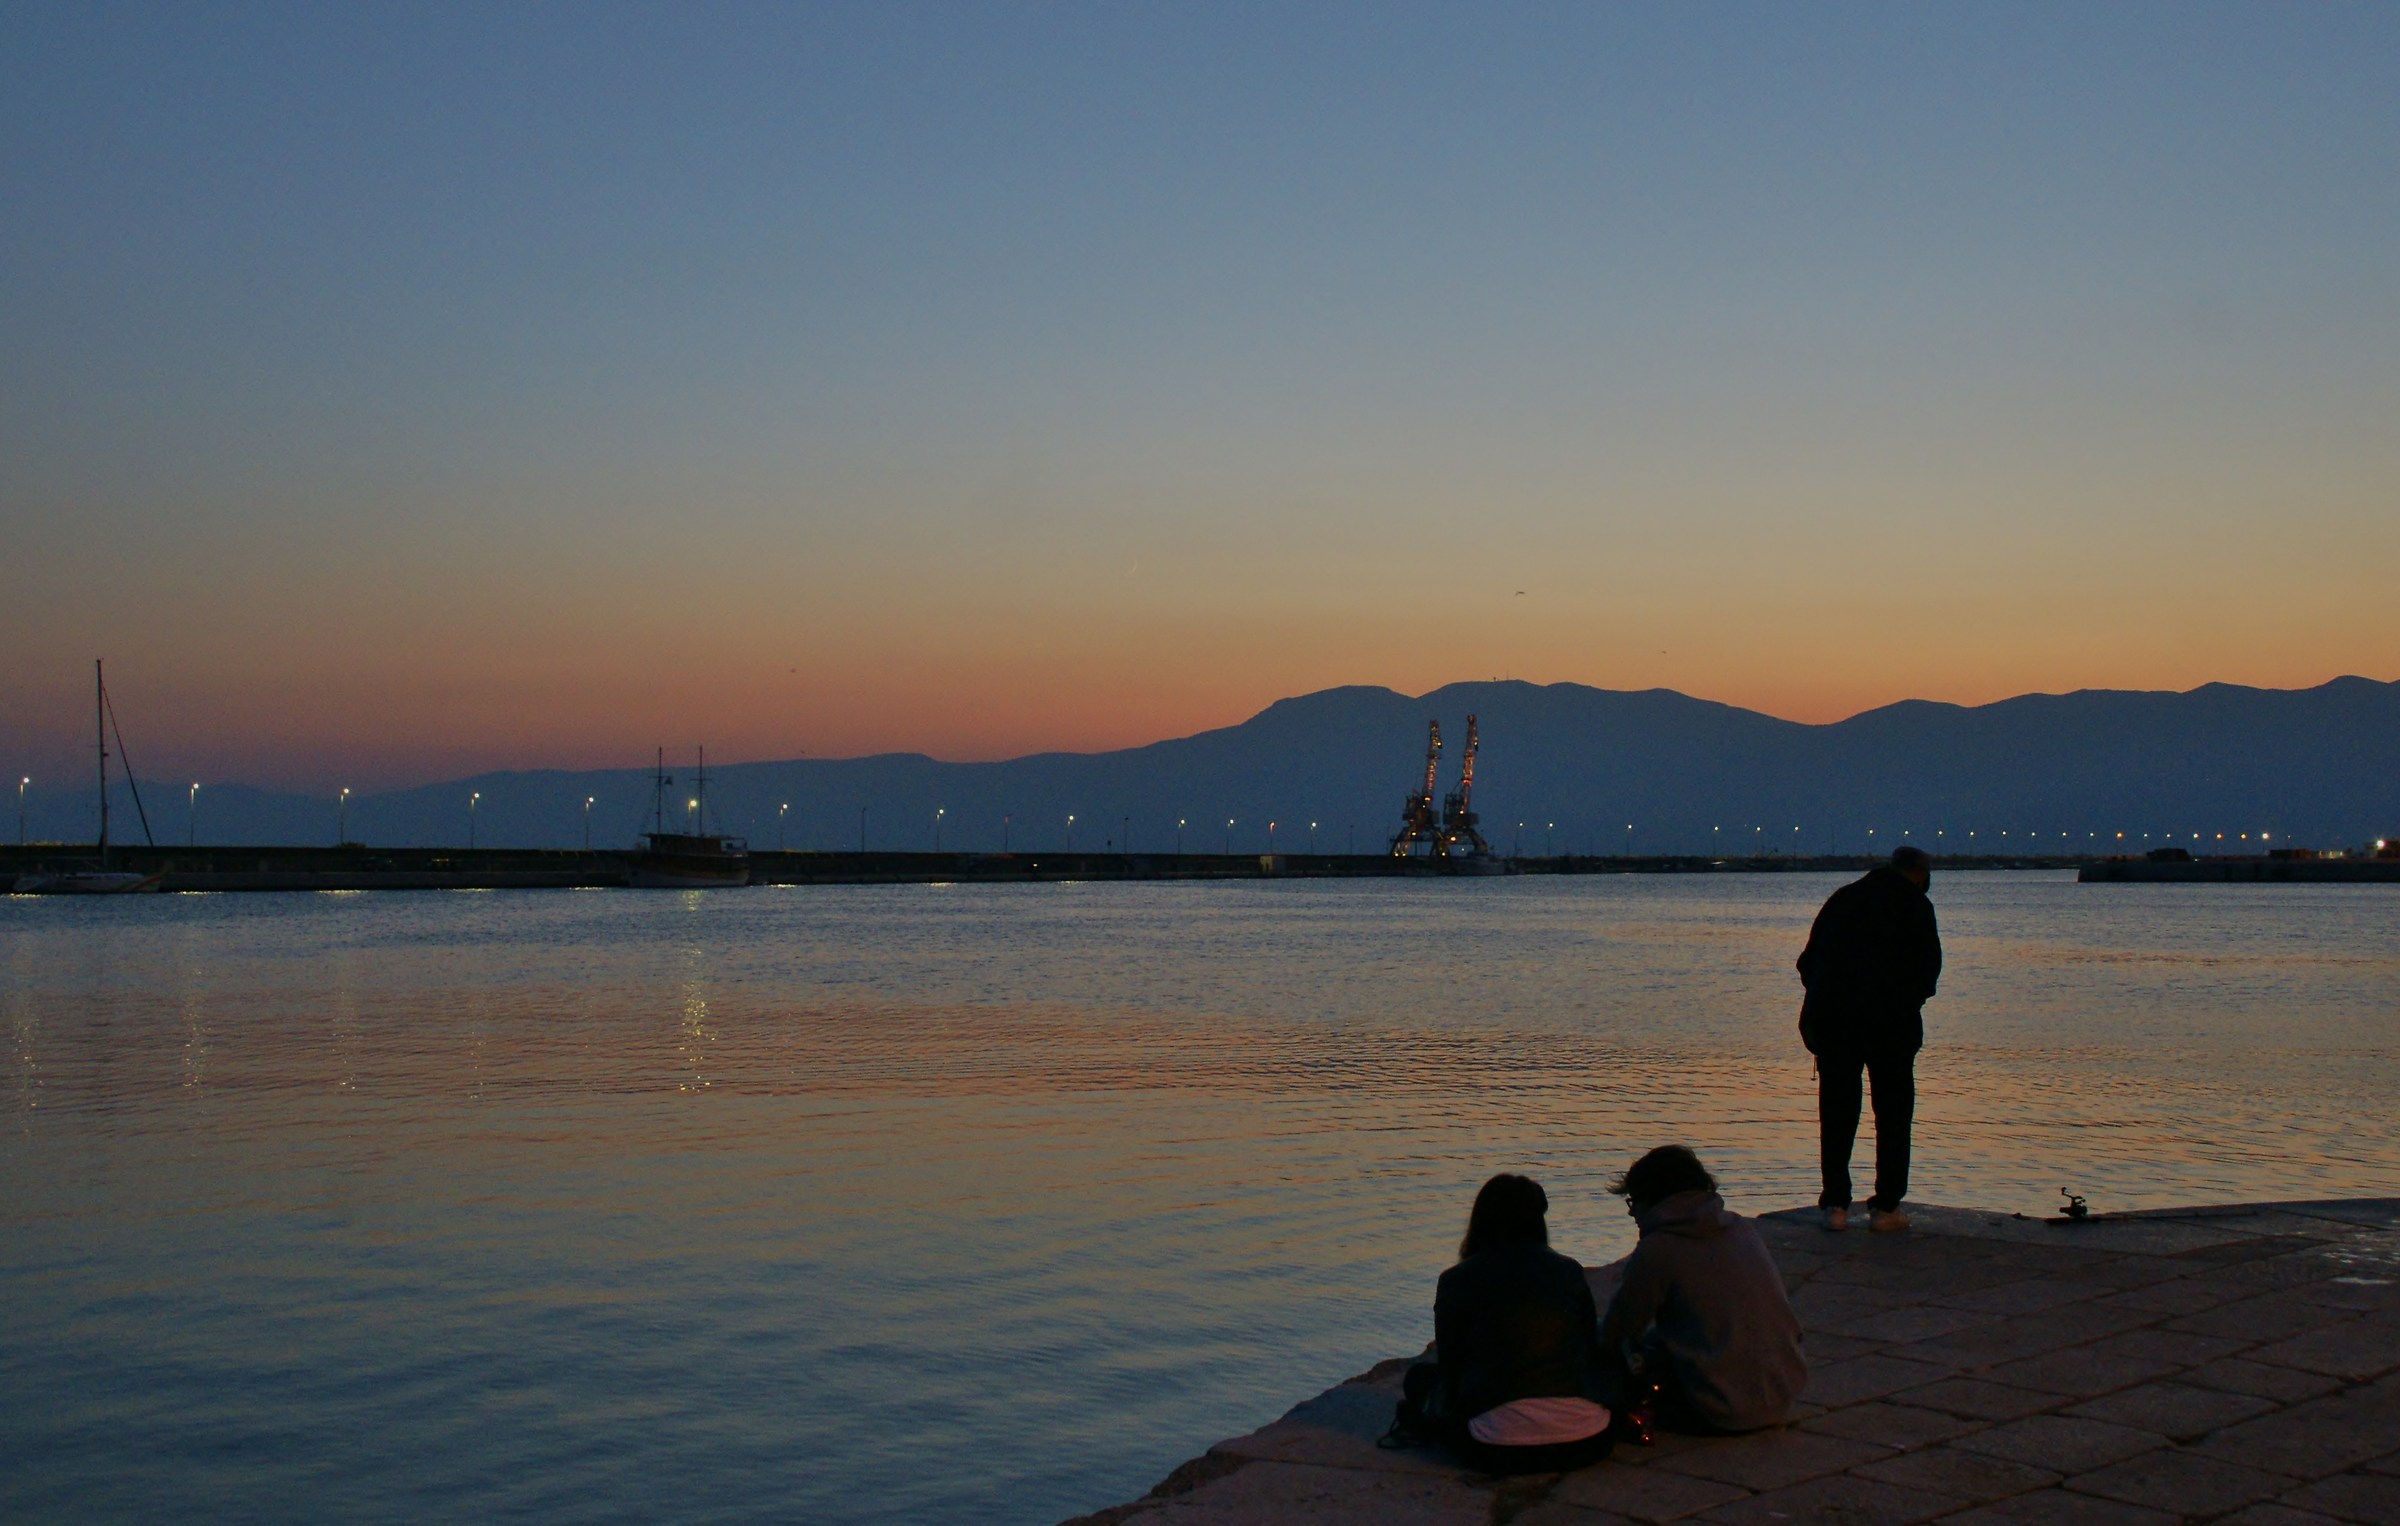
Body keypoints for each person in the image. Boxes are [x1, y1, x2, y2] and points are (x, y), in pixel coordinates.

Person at [1395, 1173, 1615, 1475]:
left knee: (1419, 1380)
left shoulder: (1456, 1280)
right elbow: (1588, 1349)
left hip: (1497, 1449)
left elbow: (1452, 1367)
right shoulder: (1569, 1272)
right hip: (1590, 1440)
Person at [1596, 1146, 1806, 1433]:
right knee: (1661, 1339)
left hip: (1718, 1410)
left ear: (1650, 1200)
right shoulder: (1740, 1228)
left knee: (1619, 1352)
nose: (1633, 1214)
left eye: (1633, 1202)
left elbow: (1619, 1329)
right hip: (1782, 1397)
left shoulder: (1659, 1249)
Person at [1796, 844, 1942, 1232]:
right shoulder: (1915, 906)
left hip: (1834, 1024)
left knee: (1837, 1112)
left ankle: (1836, 1206)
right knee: (1893, 1116)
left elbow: (1807, 963)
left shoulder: (1843, 899)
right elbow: (1928, 973)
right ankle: (1886, 1207)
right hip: (1892, 1027)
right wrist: (1904, 1000)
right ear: (1921, 875)